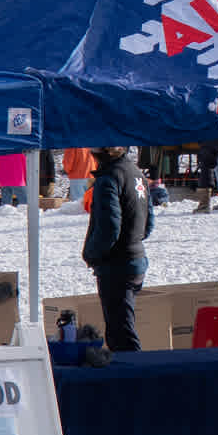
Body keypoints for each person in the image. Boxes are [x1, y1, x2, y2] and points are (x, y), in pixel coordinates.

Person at [83, 145, 152, 352]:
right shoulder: (137, 173)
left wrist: (91, 254)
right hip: (135, 258)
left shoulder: (108, 179)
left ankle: (135, 381)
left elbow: (109, 228)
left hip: (117, 265)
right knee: (121, 330)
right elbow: (148, 224)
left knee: (121, 337)